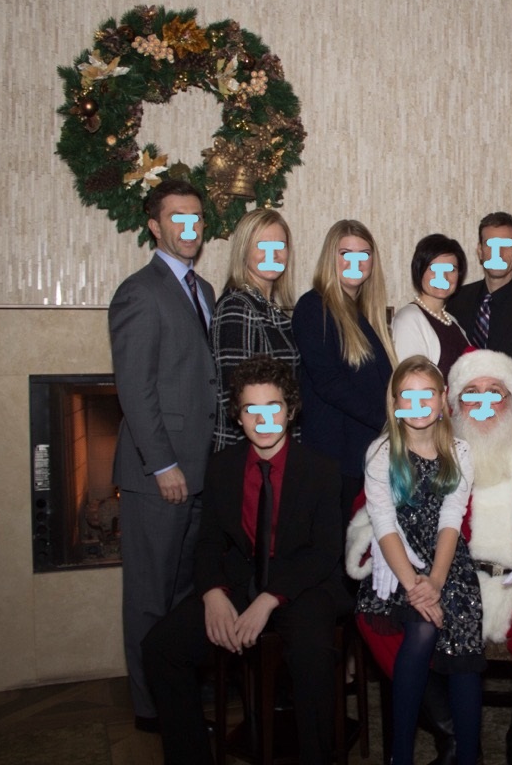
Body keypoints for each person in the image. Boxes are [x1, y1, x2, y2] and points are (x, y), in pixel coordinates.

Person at [348, 349, 512, 765]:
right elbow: (371, 508)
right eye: (471, 393)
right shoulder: (427, 443)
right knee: (378, 617)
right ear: (453, 401)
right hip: (445, 575)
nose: (482, 403)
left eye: (494, 392)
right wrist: (386, 549)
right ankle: (454, 738)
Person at [143, 356, 347, 765]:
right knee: (160, 648)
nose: (263, 420)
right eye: (251, 409)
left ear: (290, 410)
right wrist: (213, 594)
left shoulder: (322, 470)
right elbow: (207, 543)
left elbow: (325, 552)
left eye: (273, 407)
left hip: (302, 585)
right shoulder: (222, 468)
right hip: (239, 580)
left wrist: (270, 598)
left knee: (313, 653)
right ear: (237, 417)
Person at [108, 178, 218, 732]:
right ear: (155, 226)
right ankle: (150, 708)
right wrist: (163, 465)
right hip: (160, 476)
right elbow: (135, 390)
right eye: (178, 217)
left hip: (199, 472)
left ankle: (178, 693)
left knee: (183, 593)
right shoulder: (139, 292)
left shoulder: (205, 290)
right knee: (150, 596)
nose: (189, 227)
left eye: (196, 217)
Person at [357, 356, 483, 765]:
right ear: (394, 403)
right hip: (399, 562)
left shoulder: (460, 451)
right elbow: (383, 523)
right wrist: (415, 585)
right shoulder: (381, 453)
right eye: (406, 396)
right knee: (422, 630)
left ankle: (468, 756)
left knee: (463, 638)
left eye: (426, 394)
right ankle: (401, 756)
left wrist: (437, 580)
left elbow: (451, 519)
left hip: (448, 562)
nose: (417, 404)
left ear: (444, 398)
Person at [292, 219, 397, 523]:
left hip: (364, 454)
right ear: (331, 258)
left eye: (364, 254)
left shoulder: (365, 312)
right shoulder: (314, 307)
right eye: (345, 254)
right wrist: (387, 420)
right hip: (335, 458)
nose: (355, 262)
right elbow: (329, 383)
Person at [211, 208, 300, 452]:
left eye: (280, 245)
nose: (273, 254)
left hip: (275, 447)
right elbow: (236, 397)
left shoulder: (271, 309)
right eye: (262, 245)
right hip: (249, 452)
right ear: (244, 251)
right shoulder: (237, 307)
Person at [446, 212, 512, 364]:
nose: (498, 253)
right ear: (480, 251)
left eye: (506, 245)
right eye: (491, 245)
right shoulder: (456, 300)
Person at [391, 233, 471, 376]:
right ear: (419, 271)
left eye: (451, 269)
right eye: (434, 269)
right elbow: (412, 380)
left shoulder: (452, 321)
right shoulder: (408, 319)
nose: (443, 276)